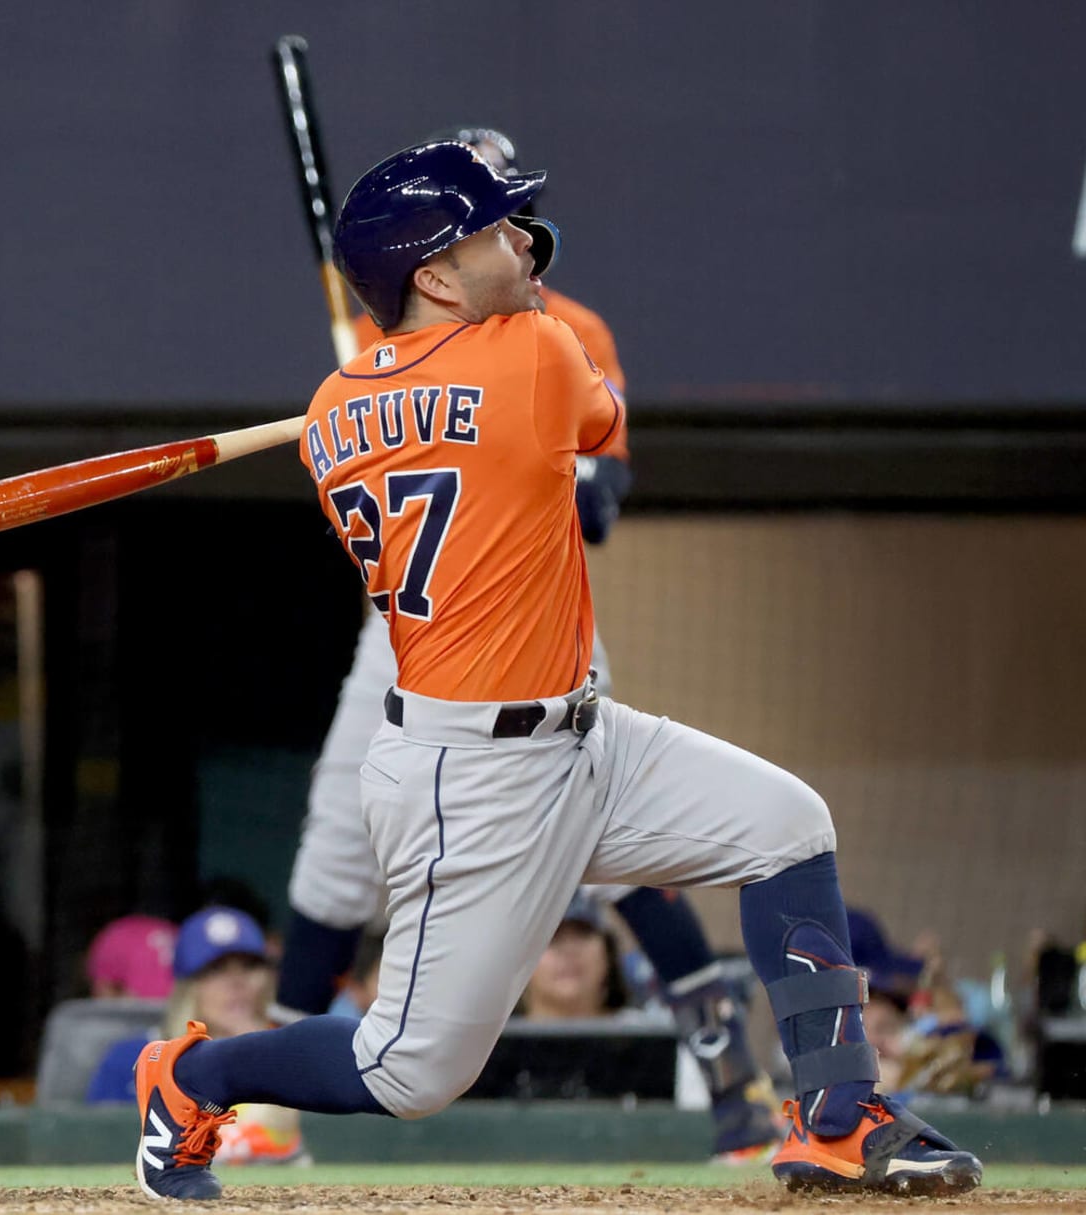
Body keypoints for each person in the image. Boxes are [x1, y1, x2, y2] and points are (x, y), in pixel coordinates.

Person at [129, 143, 981, 1201]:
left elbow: (447, 399)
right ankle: (194, 1076)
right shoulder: (536, 353)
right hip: (469, 777)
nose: (527, 241)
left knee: (787, 825)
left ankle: (839, 1116)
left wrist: (405, 375)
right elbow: (594, 425)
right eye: (494, 228)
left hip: (587, 734)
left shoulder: (333, 413)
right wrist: (471, 354)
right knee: (409, 1074)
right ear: (433, 278)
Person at [274, 123, 779, 1164]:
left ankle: (735, 1087)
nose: (505, 220)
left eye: (503, 198)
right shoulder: (373, 357)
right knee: (330, 855)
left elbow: (598, 506)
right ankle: (269, 1116)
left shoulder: (562, 328)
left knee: (628, 854)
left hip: (533, 613)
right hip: (408, 637)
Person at [87, 908, 303, 1165]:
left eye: (249, 966)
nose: (236, 982)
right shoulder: (132, 1058)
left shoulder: (293, 1052)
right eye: (216, 969)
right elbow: (98, 1149)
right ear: (187, 988)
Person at [86, 915, 178, 999]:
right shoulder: (178, 931)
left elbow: (103, 989)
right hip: (178, 1011)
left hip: (149, 1011)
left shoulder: (118, 932)